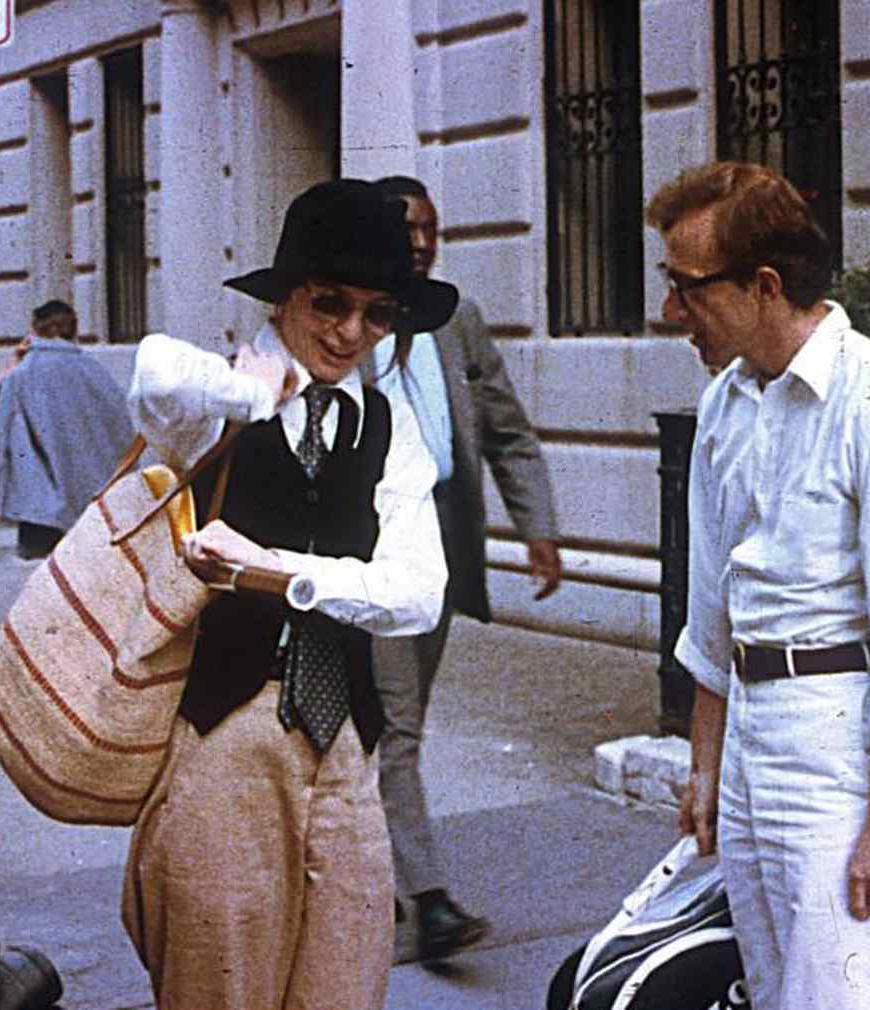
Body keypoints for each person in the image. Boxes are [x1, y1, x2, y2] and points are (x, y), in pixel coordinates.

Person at [119, 179, 456, 1010]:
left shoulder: (389, 429)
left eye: (377, 315)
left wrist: (276, 572)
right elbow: (152, 375)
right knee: (219, 984)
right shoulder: (220, 401)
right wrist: (255, 390)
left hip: (345, 743)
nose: (350, 333)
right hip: (224, 731)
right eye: (329, 302)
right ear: (284, 298)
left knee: (345, 981)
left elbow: (419, 591)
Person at [648, 162, 870, 1010]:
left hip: (837, 753)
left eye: (688, 287)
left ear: (765, 285)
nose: (672, 311)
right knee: (770, 988)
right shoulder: (727, 404)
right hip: (749, 742)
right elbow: (713, 613)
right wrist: (706, 767)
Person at [366, 175, 562, 961]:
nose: (421, 244)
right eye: (406, 230)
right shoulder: (348, 320)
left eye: (431, 230)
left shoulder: (458, 319)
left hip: (442, 546)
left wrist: (537, 527)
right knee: (396, 725)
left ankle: (373, 879)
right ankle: (429, 899)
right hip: (371, 548)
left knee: (391, 724)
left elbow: (506, 429)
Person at [0, 300, 136, 560]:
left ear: (35, 330)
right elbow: (122, 435)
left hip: (40, 510)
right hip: (94, 508)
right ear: (74, 330)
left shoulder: (21, 375)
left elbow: (5, 439)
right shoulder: (96, 371)